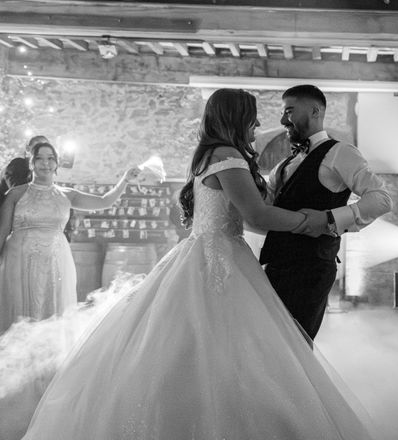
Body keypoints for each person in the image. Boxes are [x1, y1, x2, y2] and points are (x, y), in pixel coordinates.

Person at [21, 89, 375, 439]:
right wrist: (313, 221)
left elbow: (244, 217)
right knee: (230, 349)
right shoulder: (229, 156)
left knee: (197, 346)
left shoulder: (211, 154)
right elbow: (257, 214)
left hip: (207, 252)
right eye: (252, 118)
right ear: (235, 118)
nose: (257, 125)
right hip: (219, 258)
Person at [260, 84, 392, 340]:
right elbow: (268, 204)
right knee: (271, 345)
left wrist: (329, 219)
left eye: (289, 111)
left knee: (295, 346)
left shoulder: (340, 152)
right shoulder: (284, 164)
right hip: (276, 265)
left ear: (315, 111)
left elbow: (382, 199)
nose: (282, 120)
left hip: (311, 270)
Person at [0, 142, 140, 334]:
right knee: (19, 310)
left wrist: (124, 180)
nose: (45, 163)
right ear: (31, 163)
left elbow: (104, 201)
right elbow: (2, 232)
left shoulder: (67, 195)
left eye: (50, 158)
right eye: (39, 158)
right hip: (18, 261)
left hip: (56, 262)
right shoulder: (15, 194)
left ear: (56, 164)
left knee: (53, 310)